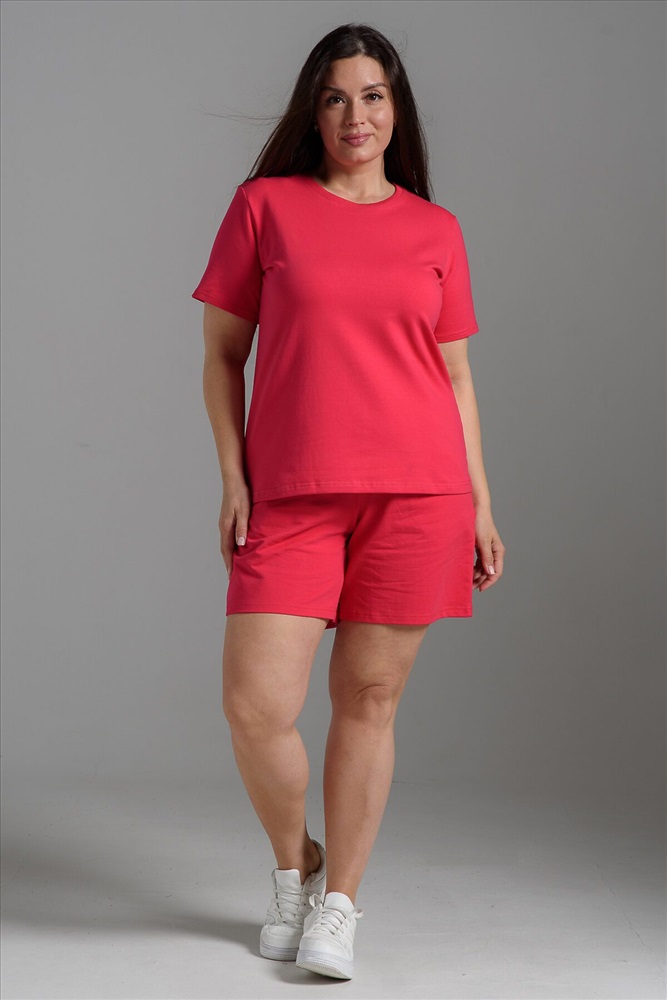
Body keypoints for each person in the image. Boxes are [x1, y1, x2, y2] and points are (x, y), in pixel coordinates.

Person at [191, 22, 505, 982]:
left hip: (418, 493)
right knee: (255, 706)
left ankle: (339, 909)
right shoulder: (265, 208)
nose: (354, 116)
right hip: (291, 492)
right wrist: (233, 478)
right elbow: (222, 356)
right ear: (312, 110)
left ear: (395, 109)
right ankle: (297, 866)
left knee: (367, 700)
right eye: (335, 98)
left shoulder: (434, 229)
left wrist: (481, 505)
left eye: (372, 96)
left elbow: (455, 378)